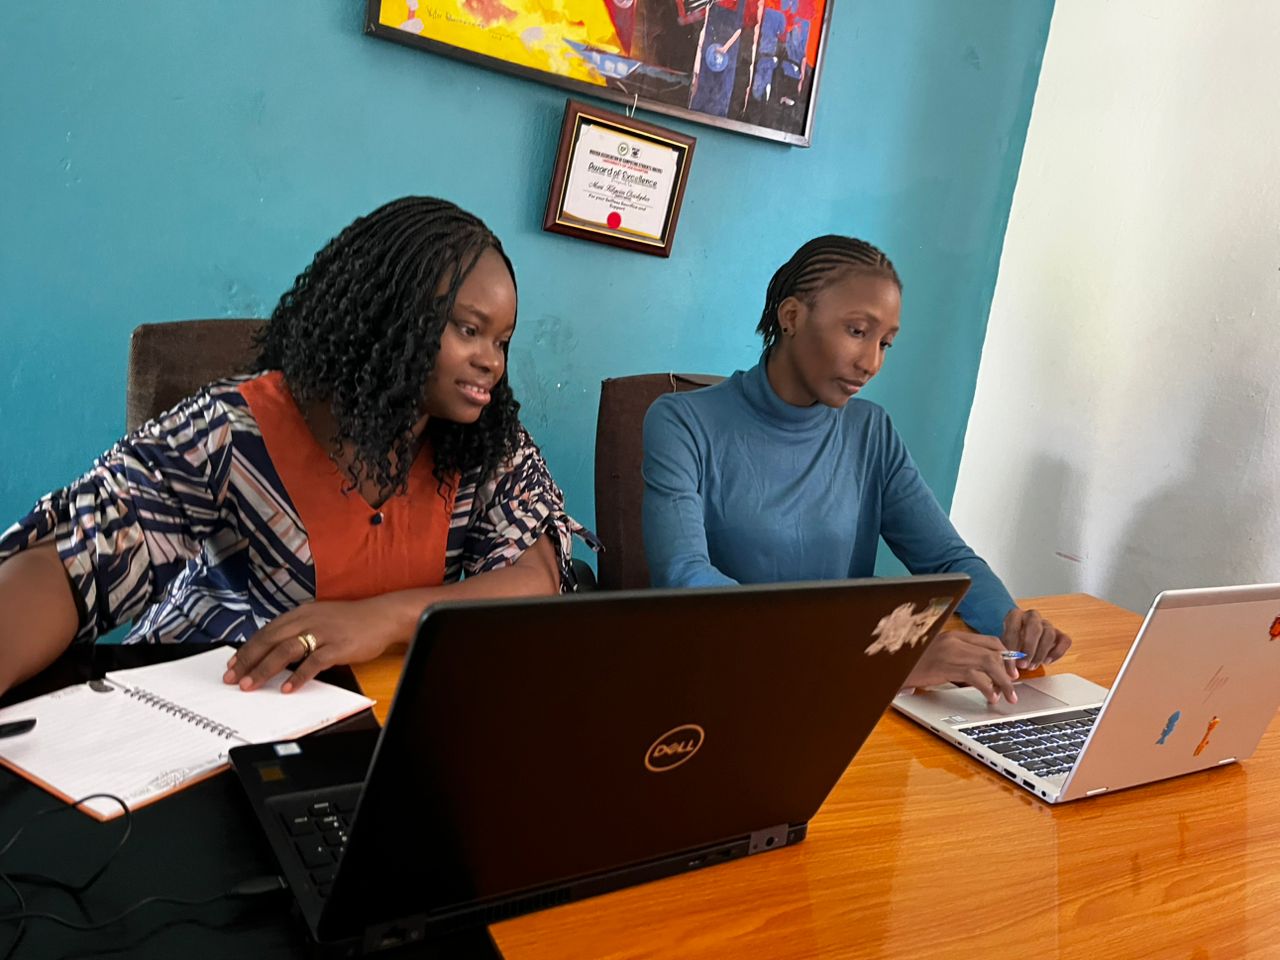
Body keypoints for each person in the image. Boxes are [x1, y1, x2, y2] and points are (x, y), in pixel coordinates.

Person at [0, 196, 592, 696]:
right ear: (392, 316)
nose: (492, 361)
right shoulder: (233, 431)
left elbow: (534, 577)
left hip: (369, 729)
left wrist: (383, 619)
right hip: (213, 707)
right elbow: (75, 560)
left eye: (502, 340)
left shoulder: (486, 442)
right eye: (468, 329)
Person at [641, 235, 1070, 705]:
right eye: (857, 331)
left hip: (840, 692)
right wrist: (887, 658)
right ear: (791, 317)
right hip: (729, 687)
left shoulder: (871, 430)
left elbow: (946, 559)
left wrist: (1009, 621)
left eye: (885, 343)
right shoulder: (682, 421)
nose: (871, 363)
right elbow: (685, 578)